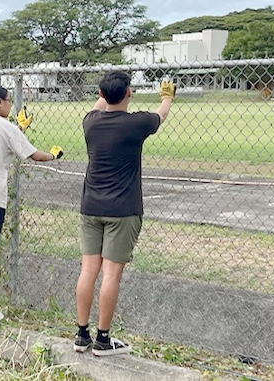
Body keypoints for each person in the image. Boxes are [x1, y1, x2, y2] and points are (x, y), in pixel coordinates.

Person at [74, 71, 174, 356]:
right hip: (122, 210)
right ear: (129, 93)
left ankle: (82, 335)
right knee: (111, 276)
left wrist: (105, 93)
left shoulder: (90, 123)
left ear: (102, 95)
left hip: (90, 207)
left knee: (88, 270)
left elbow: (99, 105)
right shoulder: (137, 123)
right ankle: (103, 339)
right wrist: (167, 97)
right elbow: (161, 114)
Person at [0, 84, 64, 324]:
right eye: (9, 100)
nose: (11, 105)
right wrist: (54, 155)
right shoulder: (5, 128)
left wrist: (18, 128)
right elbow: (32, 154)